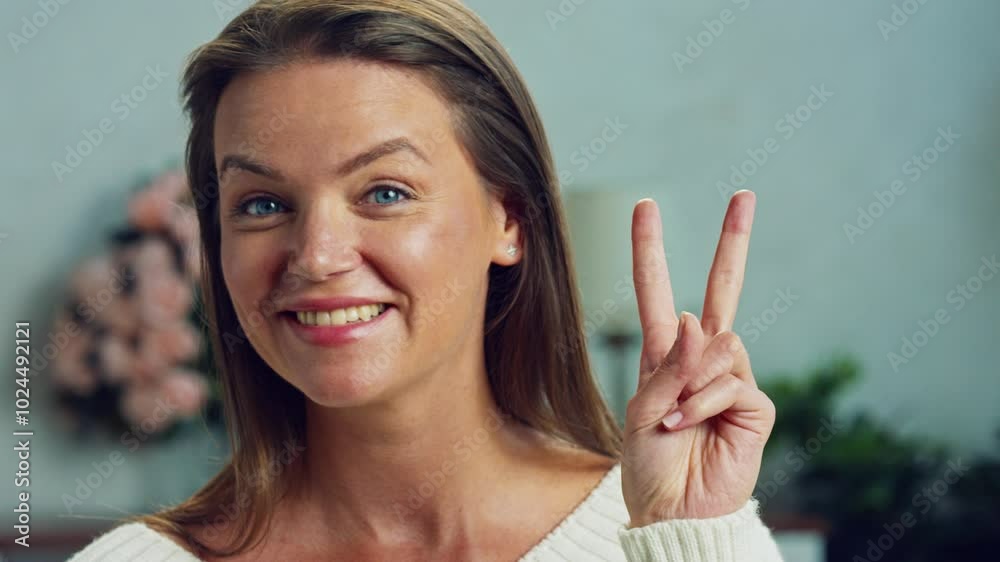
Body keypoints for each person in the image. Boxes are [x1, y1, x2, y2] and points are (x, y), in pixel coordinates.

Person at [70, 0, 783, 560]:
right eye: (261, 204)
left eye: (384, 192)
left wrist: (687, 539)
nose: (316, 255)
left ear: (509, 219)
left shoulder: (674, 529)